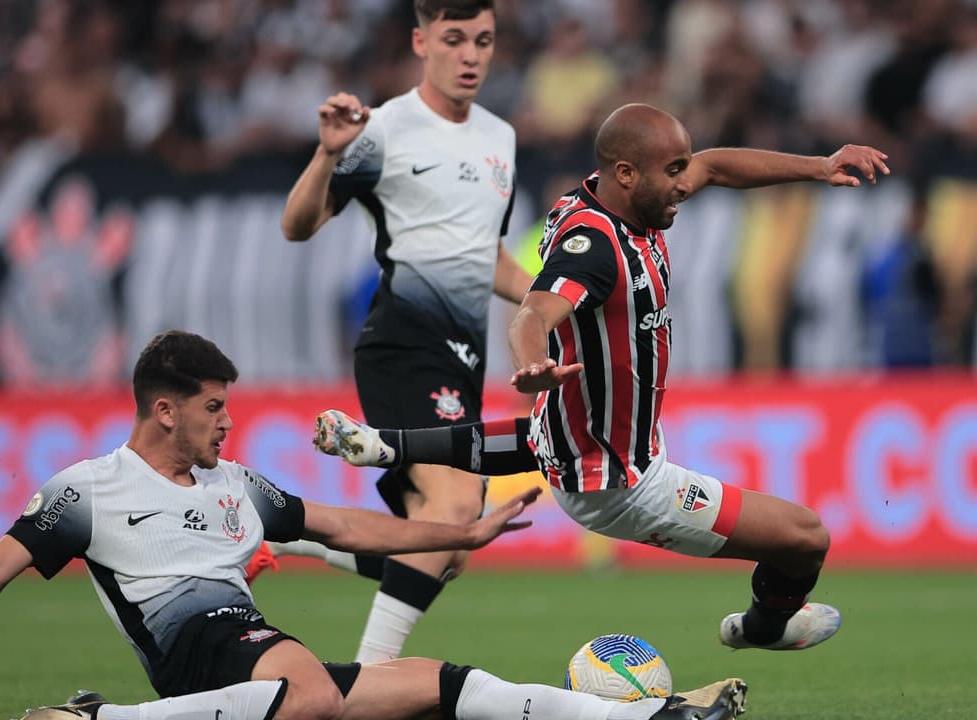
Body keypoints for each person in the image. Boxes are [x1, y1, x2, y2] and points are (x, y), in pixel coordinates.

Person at [0, 330, 748, 720]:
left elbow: (345, 527)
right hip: (200, 647)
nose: (228, 422)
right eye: (213, 407)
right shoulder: (87, 488)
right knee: (310, 692)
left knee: (446, 686)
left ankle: (663, 715)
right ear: (165, 409)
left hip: (253, 666)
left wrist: (470, 534)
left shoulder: (237, 483)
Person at [313, 103, 893, 652]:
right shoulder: (594, 247)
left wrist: (819, 165)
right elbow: (535, 311)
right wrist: (531, 362)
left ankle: (382, 446)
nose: (683, 183)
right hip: (626, 484)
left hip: (573, 438)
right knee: (806, 538)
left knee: (533, 449)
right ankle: (764, 628)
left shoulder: (628, 197)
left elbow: (714, 165)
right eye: (672, 172)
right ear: (624, 173)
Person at [278, 0, 536, 663]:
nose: (472, 55)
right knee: (452, 516)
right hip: (402, 341)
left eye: (483, 40)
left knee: (447, 548)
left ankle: (286, 534)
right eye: (455, 40)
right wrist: (326, 156)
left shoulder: (499, 138)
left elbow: (488, 257)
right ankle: (366, 683)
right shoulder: (385, 130)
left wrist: (551, 303)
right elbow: (297, 226)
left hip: (464, 357)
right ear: (422, 41)